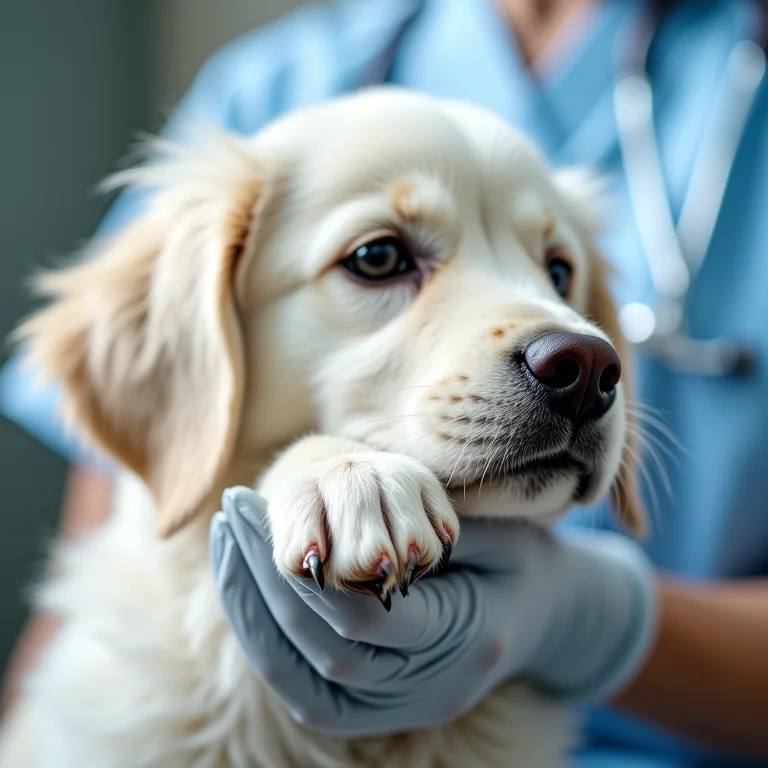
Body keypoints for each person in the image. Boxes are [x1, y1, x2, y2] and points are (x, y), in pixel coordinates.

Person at [2, 0, 767, 765]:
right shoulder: (275, 83)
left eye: (556, 270)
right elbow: (99, 553)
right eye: (378, 258)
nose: (566, 346)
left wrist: (587, 618)